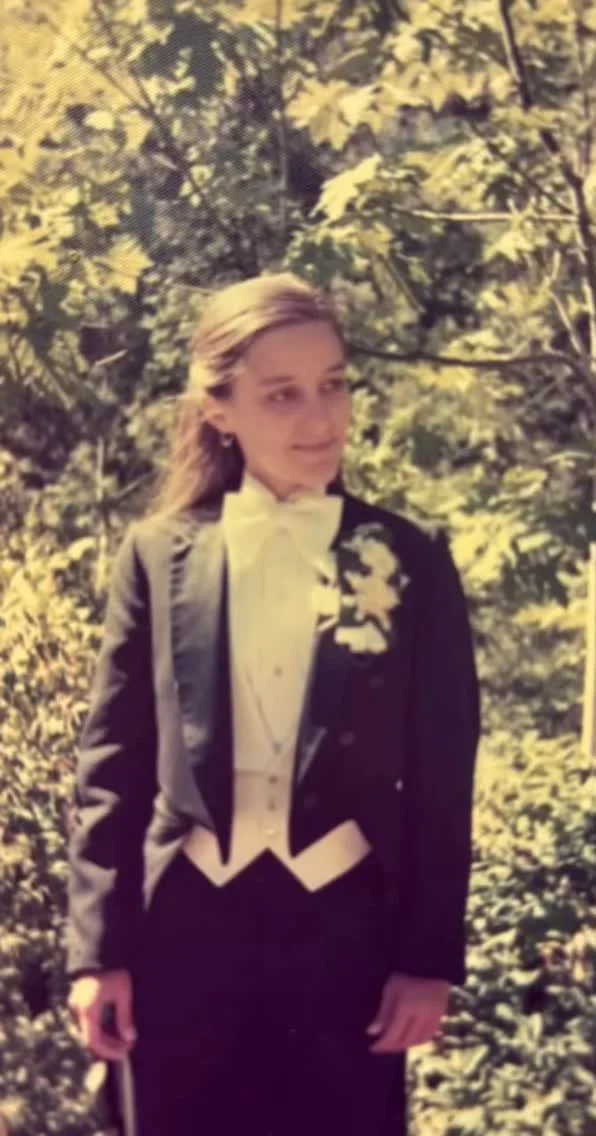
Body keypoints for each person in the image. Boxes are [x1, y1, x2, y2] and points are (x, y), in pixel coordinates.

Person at [65, 271, 481, 1136]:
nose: (320, 418)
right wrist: (99, 954)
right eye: (282, 394)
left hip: (348, 942)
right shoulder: (157, 555)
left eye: (333, 385)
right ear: (219, 409)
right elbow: (113, 764)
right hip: (180, 937)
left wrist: (427, 960)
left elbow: (444, 777)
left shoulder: (405, 558)